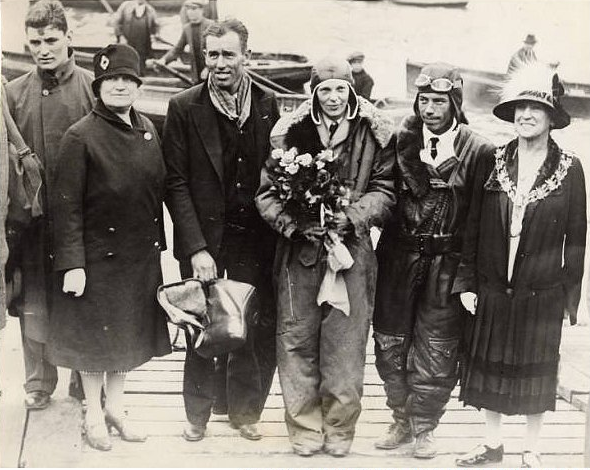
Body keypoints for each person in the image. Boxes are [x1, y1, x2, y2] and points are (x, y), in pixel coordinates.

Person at [256, 56, 396, 457]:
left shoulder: (374, 135)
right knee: (296, 339)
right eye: (325, 90)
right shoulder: (291, 134)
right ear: (312, 94)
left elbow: (385, 190)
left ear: (352, 93)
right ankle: (304, 427)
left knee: (345, 343)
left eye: (340, 90)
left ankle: (339, 429)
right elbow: (266, 193)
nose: (333, 98)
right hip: (300, 254)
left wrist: (349, 217)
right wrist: (296, 224)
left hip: (350, 253)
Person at [454, 62, 586, 468]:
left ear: (551, 118)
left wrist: (569, 297)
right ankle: (492, 445)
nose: (525, 115)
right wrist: (468, 282)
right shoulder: (493, 161)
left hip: (542, 289)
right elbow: (472, 225)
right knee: (488, 361)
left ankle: (533, 449)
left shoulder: (570, 169)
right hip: (493, 282)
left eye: (535, 109)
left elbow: (577, 239)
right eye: (519, 108)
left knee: (537, 367)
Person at [49, 44, 171, 451]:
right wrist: (72, 264)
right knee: (95, 343)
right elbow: (64, 210)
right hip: (97, 258)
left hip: (139, 257)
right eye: (111, 80)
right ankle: (94, 414)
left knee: (128, 339)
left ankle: (116, 408)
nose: (120, 86)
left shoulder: (149, 129)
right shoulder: (80, 136)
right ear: (98, 87)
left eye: (127, 79)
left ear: (138, 85)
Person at [162, 18, 279, 443]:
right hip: (205, 239)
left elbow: (276, 170)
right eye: (212, 54)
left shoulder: (267, 103)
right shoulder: (184, 106)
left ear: (246, 56)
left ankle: (245, 412)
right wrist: (196, 247)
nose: (220, 63)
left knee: (248, 321)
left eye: (229, 54)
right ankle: (197, 414)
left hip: (254, 235)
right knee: (201, 325)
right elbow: (175, 181)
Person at [372, 63, 495, 459]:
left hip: (447, 262)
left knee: (438, 347)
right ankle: (400, 419)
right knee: (390, 340)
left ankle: (425, 426)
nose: (429, 109)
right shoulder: (397, 141)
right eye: (423, 100)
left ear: (455, 103)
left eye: (439, 101)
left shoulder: (479, 150)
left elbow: (480, 220)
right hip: (397, 257)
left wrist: (469, 277)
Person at [5, 0, 95, 411]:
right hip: (32, 218)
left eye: (51, 40)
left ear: (68, 38)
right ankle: (38, 381)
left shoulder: (93, 88)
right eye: (36, 41)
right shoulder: (13, 93)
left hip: (81, 219)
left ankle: (82, 378)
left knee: (80, 296)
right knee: (33, 299)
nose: (43, 48)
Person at [148, 0, 213, 84]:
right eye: (188, 9)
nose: (191, 12)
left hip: (213, 71)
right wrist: (163, 60)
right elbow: (177, 49)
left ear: (201, 10)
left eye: (194, 9)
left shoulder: (211, 26)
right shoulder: (187, 29)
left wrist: (208, 68)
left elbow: (217, 50)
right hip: (197, 73)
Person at [113, 0, 159, 75]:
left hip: (143, 44)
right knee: (125, 63)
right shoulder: (125, 6)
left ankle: (141, 77)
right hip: (127, 42)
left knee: (141, 64)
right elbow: (116, 22)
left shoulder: (150, 10)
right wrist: (120, 36)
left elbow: (156, 25)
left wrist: (155, 35)